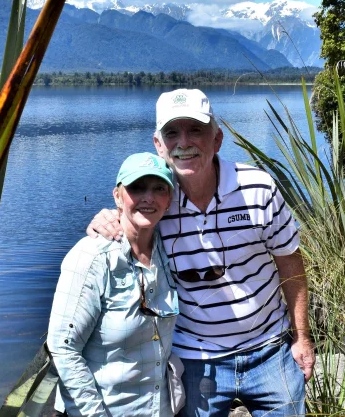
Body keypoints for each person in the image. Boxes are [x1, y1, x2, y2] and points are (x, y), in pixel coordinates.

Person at [88, 89, 314, 417]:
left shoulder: (258, 189)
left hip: (270, 349)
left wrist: (302, 338)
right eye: (172, 133)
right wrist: (101, 221)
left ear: (217, 138)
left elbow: (290, 263)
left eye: (195, 130)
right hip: (195, 358)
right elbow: (123, 219)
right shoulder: (157, 202)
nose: (184, 142)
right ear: (158, 145)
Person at [48, 153, 181, 417]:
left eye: (159, 188)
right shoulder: (92, 258)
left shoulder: (169, 249)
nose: (148, 198)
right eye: (137, 188)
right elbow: (63, 348)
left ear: (169, 199)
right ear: (118, 196)